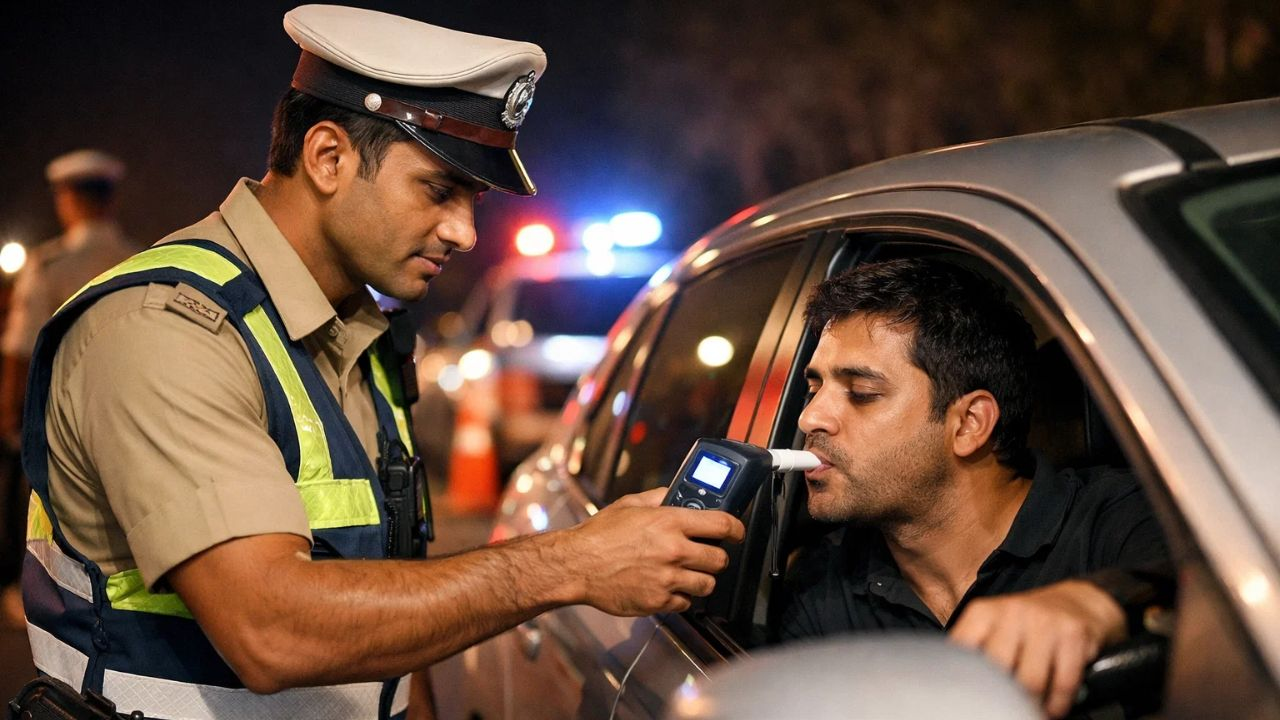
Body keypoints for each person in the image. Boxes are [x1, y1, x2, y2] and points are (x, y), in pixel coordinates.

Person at [19, 7, 743, 720]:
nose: (463, 231)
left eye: (473, 201)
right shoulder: (163, 330)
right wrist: (569, 565)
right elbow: (268, 632)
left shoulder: (358, 334)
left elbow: (391, 587)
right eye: (438, 190)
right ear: (328, 157)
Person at [779, 258, 1170, 719]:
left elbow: (1229, 589)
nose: (810, 418)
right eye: (814, 388)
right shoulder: (821, 586)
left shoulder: (1120, 522)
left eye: (861, 392)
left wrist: (1101, 600)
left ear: (969, 423)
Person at [0, 149, 137, 628]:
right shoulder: (136, 259)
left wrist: (8, 414)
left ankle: (31, 592)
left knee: (38, 507)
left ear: (66, 199)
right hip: (126, 410)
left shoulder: (51, 263)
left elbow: (20, 346)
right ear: (111, 197)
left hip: (56, 414)